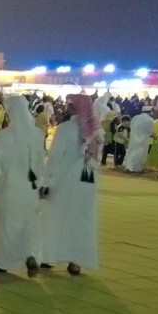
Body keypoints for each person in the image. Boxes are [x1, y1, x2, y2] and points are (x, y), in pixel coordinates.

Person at [39, 94, 101, 276]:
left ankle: (49, 256)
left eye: (69, 105)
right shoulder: (96, 130)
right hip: (88, 179)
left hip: (65, 179)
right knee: (81, 219)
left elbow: (55, 158)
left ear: (75, 108)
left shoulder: (66, 128)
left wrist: (46, 182)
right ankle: (76, 261)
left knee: (54, 217)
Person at [0, 96, 44, 277]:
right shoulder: (38, 134)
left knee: (7, 224)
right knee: (28, 224)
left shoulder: (4, 136)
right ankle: (30, 255)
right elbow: (39, 162)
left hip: (10, 187)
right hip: (31, 187)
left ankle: (2, 262)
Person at [122, 105, 155, 173]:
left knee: (131, 152)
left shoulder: (135, 117)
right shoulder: (149, 119)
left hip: (133, 138)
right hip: (143, 139)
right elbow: (151, 130)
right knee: (140, 154)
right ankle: (133, 168)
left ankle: (130, 167)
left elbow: (131, 127)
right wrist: (155, 136)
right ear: (149, 112)